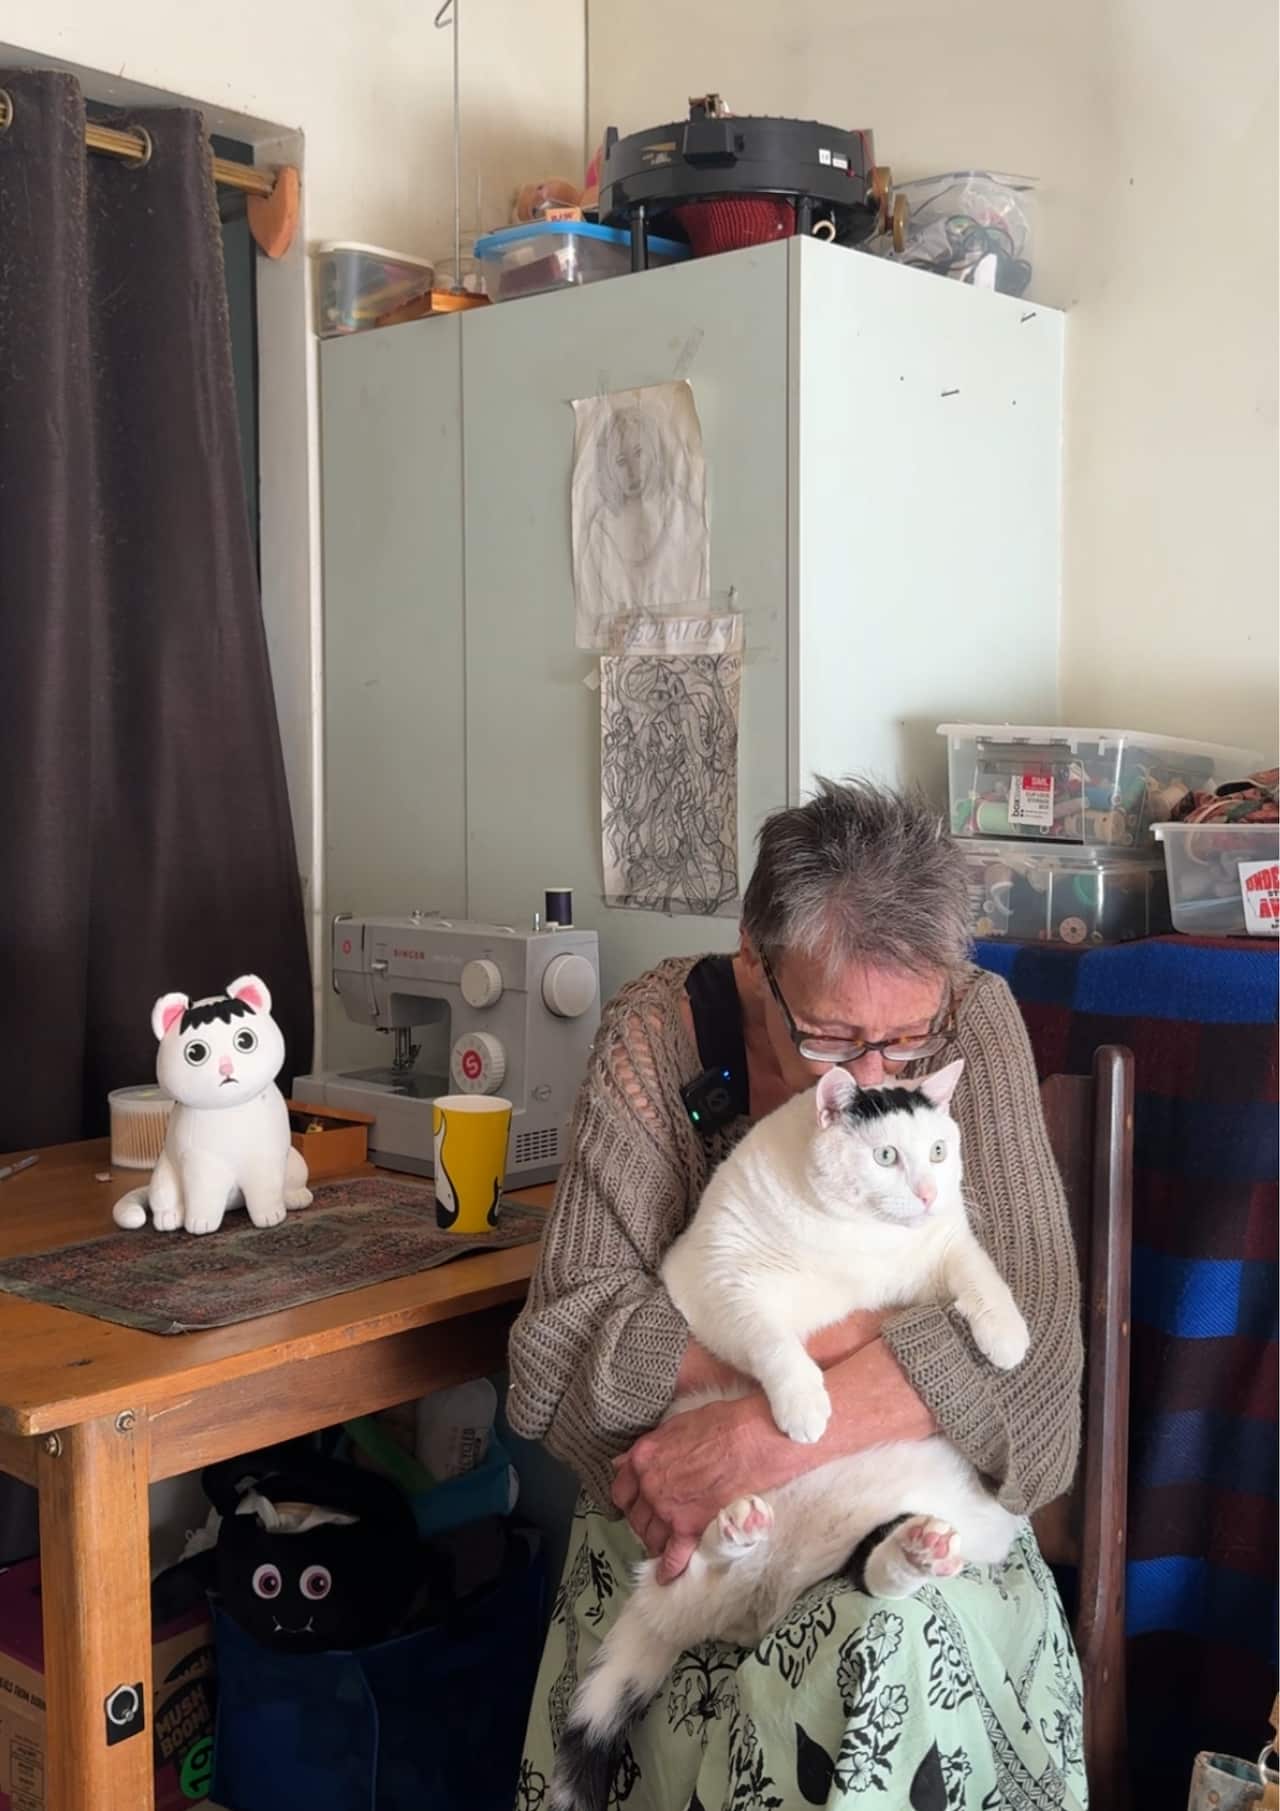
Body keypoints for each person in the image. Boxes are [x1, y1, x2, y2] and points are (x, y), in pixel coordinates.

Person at [508, 779, 1086, 1811]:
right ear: (753, 959)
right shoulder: (660, 1034)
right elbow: (554, 1356)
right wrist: (873, 1348)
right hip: (682, 1524)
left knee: (886, 1638)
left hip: (905, 1511)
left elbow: (1037, 1388)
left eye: (905, 1038)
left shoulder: (971, 1019)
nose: (875, 1072)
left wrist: (763, 1434)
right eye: (830, 1035)